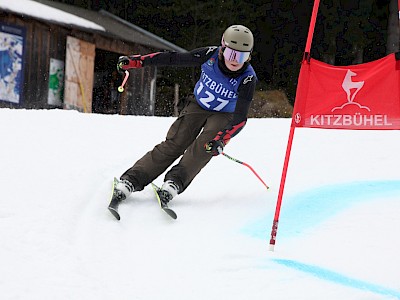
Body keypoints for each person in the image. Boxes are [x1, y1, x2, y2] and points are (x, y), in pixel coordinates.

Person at [114, 24, 257, 207]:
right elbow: (174, 59)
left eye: (242, 56)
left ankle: (175, 182)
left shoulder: (247, 78)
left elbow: (240, 118)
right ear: (222, 48)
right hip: (198, 105)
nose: (235, 61)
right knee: (175, 143)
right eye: (231, 54)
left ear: (249, 56)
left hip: (224, 115)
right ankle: (132, 179)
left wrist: (221, 139)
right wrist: (139, 61)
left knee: (204, 147)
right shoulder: (209, 55)